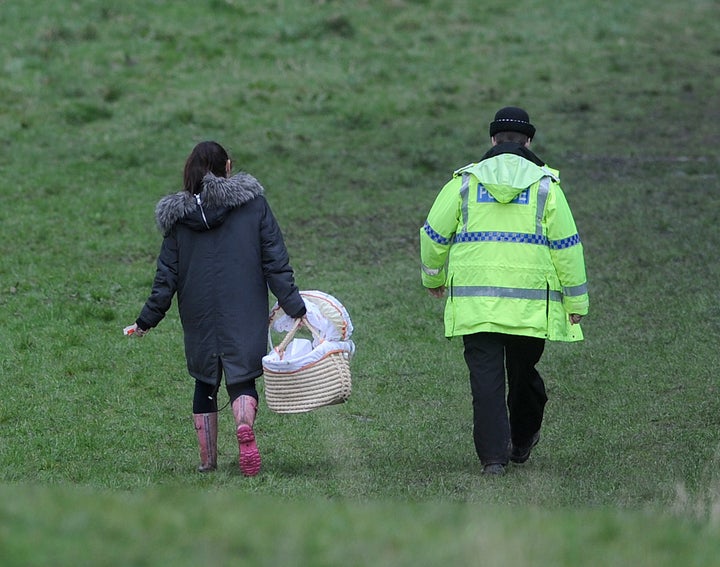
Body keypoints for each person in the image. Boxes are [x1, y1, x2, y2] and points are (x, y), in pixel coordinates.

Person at [420, 107, 589, 475]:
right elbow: (567, 247)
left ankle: (493, 460)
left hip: (476, 304)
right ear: (528, 141)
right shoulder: (547, 187)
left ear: (492, 140)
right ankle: (523, 438)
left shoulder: (463, 184)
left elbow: (432, 235)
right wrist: (576, 302)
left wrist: (433, 279)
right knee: (524, 374)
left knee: (486, 382)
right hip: (530, 308)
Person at [124, 141, 306, 476]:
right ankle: (243, 425)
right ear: (228, 167)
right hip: (245, 306)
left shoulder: (178, 219)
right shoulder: (254, 206)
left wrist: (146, 320)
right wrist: (295, 306)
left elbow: (166, 276)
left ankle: (207, 462)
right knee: (243, 377)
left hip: (198, 311)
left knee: (204, 380)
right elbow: (275, 262)